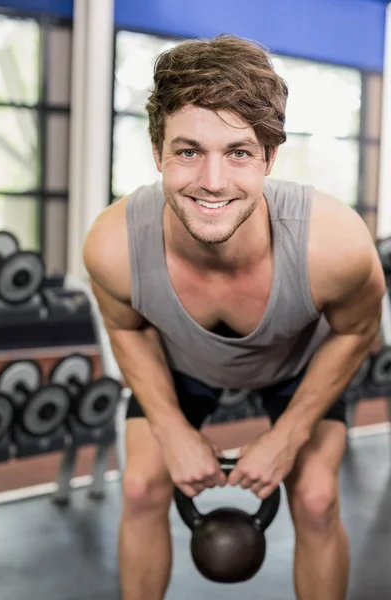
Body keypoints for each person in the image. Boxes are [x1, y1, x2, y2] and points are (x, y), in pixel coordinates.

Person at [83, 34, 385, 600]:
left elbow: (357, 330)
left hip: (293, 366)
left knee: (318, 499)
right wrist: (171, 431)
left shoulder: (334, 243)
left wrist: (288, 436)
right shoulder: (111, 244)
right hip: (181, 363)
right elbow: (126, 328)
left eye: (239, 152)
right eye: (189, 150)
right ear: (157, 152)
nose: (213, 182)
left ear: (270, 156)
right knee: (143, 487)